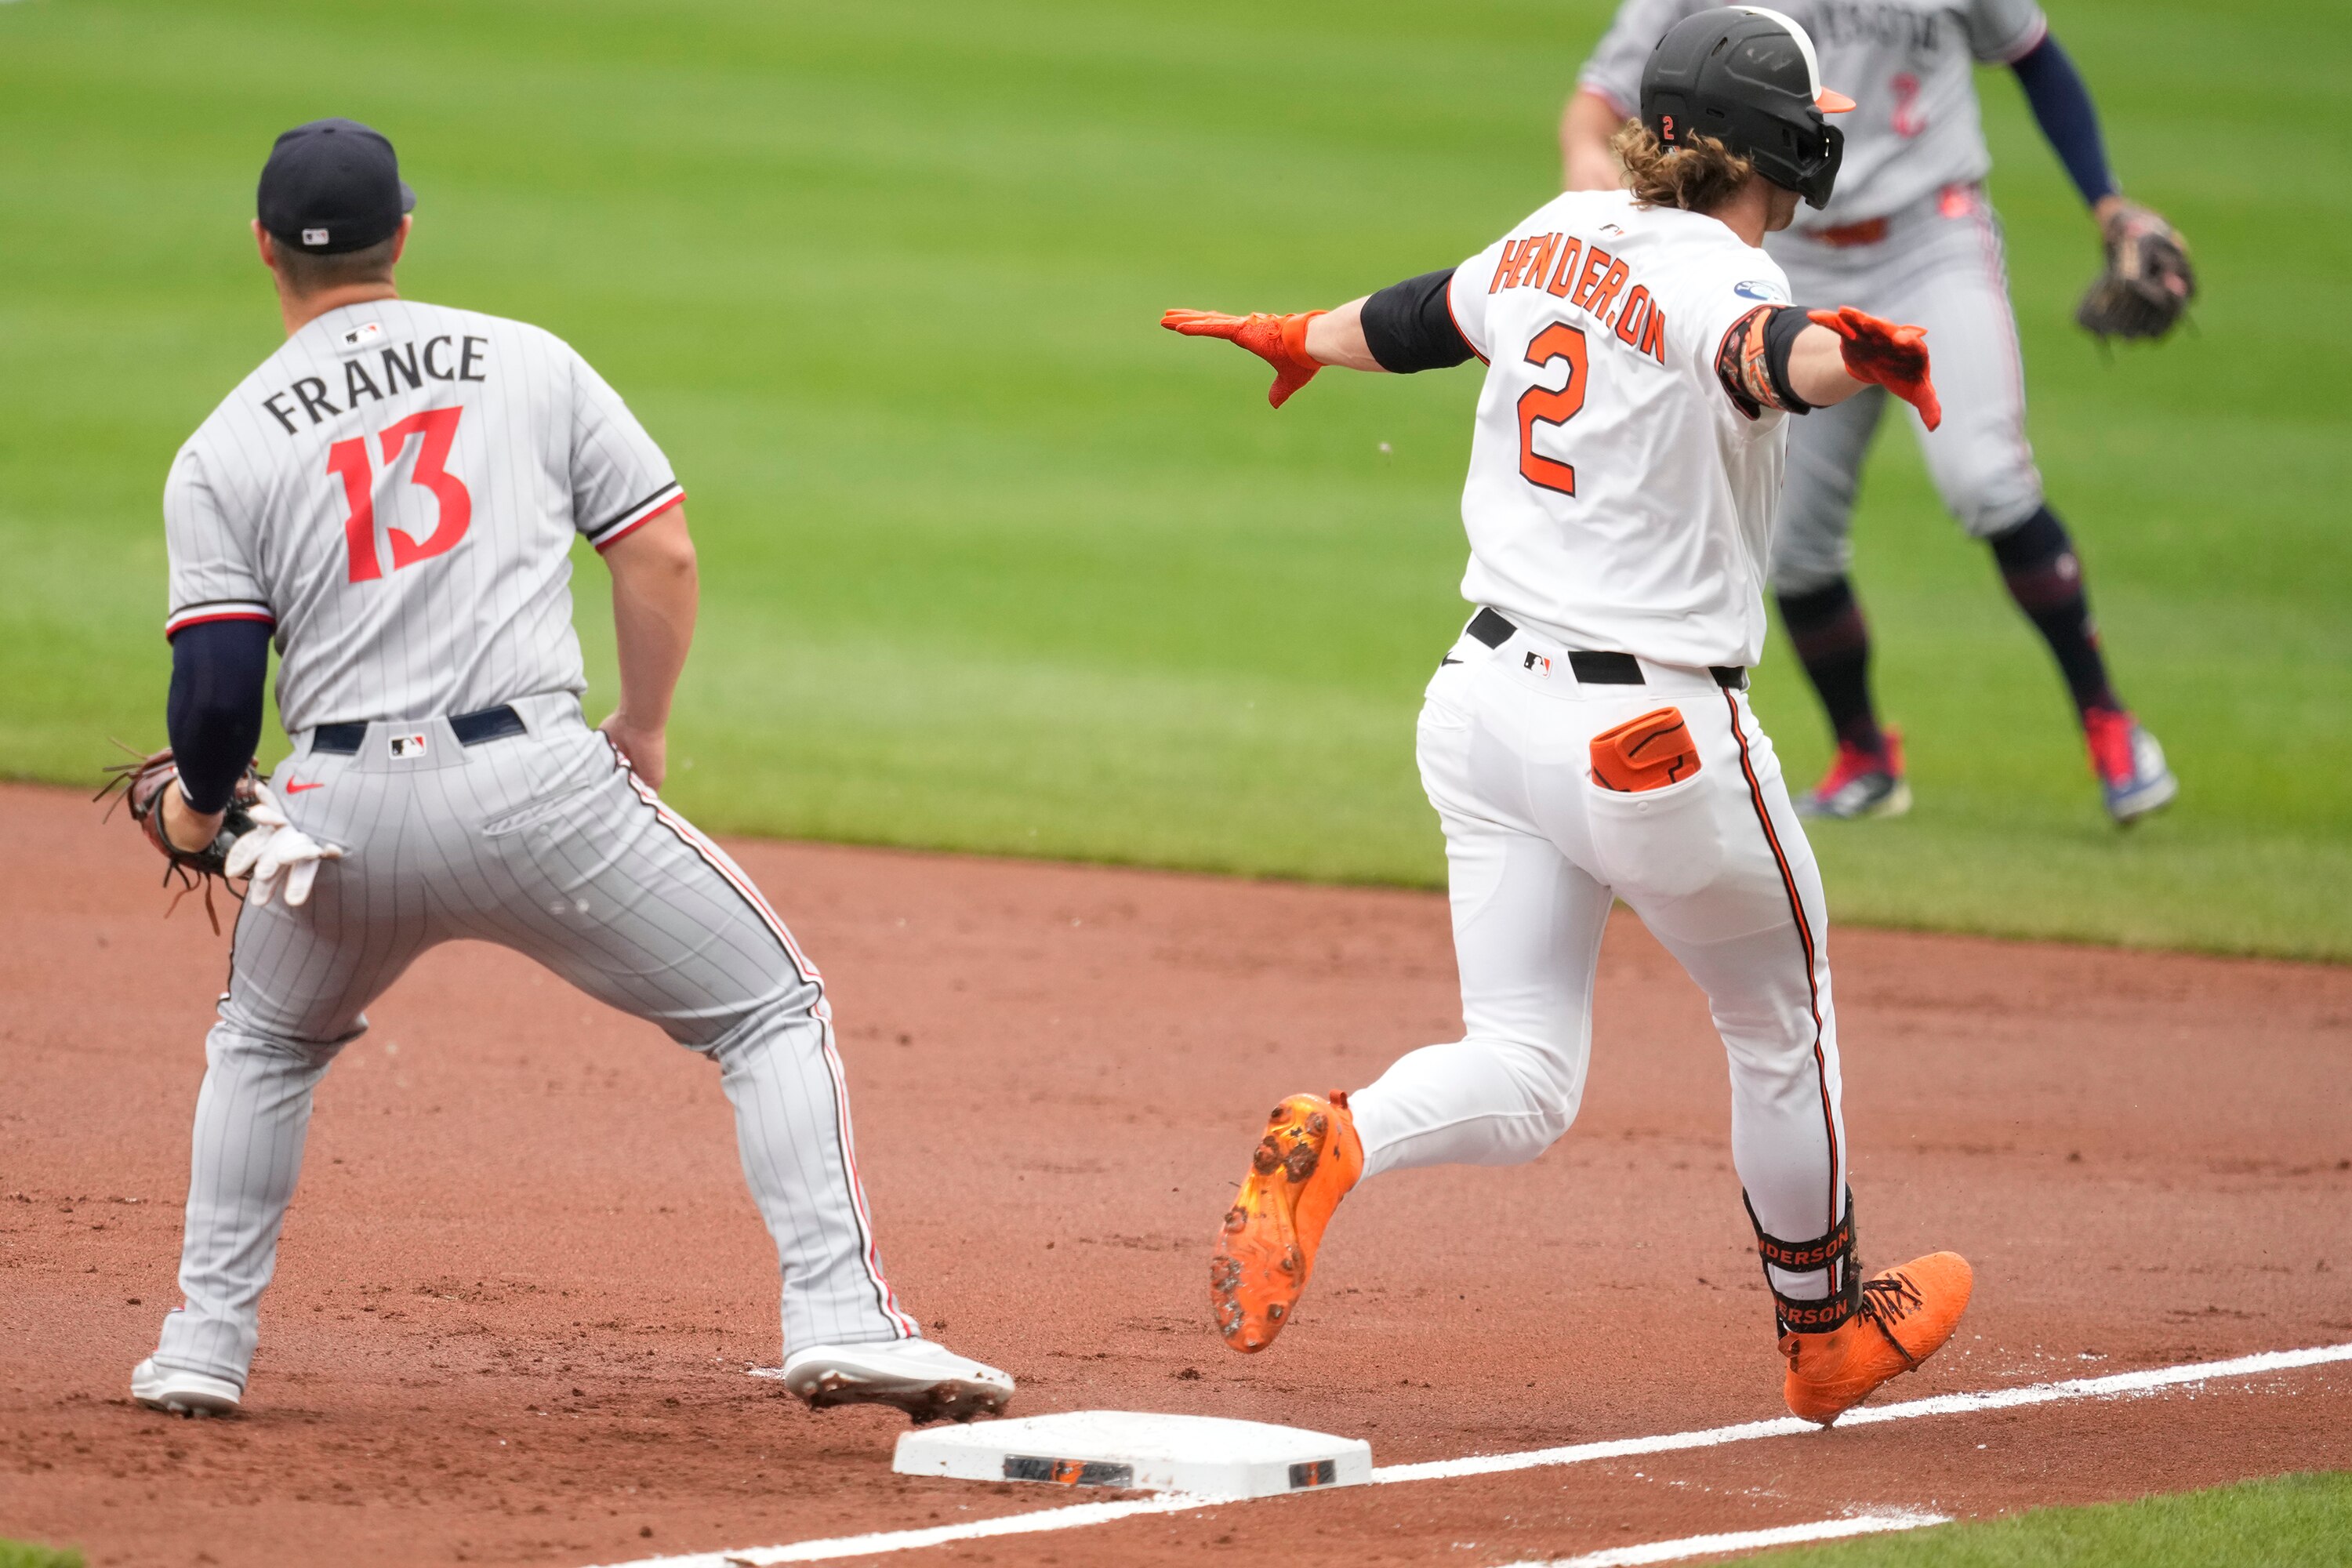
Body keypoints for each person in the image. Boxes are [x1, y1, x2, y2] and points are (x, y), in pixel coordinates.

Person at [120, 118, 1012, 1423]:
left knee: (262, 1045)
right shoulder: (528, 362)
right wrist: (642, 729)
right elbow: (660, 553)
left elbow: (213, 695)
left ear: (263, 249)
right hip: (535, 790)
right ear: (404, 235)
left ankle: (202, 1348)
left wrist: (204, 810)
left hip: (335, 819)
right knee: (769, 1009)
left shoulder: (226, 442)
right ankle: (836, 1314)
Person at [1164, 9, 1969, 1424]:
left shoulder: (1558, 226)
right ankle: (1823, 1325)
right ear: (1783, 147)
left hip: (1479, 711)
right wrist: (1864, 358)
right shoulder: (1725, 275)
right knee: (1781, 1023)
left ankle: (1336, 1136)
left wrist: (1295, 333)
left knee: (1524, 1069)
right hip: (1652, 741)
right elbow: (1767, 354)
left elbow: (1421, 317)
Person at [1564, 0, 2183, 824]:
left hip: (1932, 238)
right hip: (1788, 251)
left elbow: (2033, 54)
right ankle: (1863, 755)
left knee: (1987, 481)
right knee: (1795, 543)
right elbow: (1600, 99)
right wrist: (1585, 161)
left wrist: (2108, 201)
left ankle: (2110, 720)